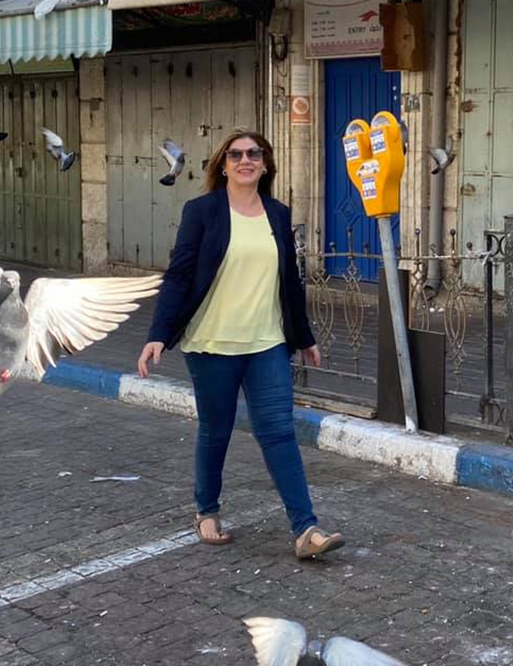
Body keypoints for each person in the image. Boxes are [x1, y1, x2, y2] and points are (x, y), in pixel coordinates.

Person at [137, 129, 345, 559]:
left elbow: (289, 281)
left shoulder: (278, 214)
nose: (245, 161)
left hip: (266, 342)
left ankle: (306, 529)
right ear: (223, 165)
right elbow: (179, 275)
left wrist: (304, 337)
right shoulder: (202, 211)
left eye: (253, 154)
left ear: (265, 164)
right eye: (235, 155)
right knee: (216, 430)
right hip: (211, 342)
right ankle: (207, 510)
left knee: (279, 432)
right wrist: (158, 333)